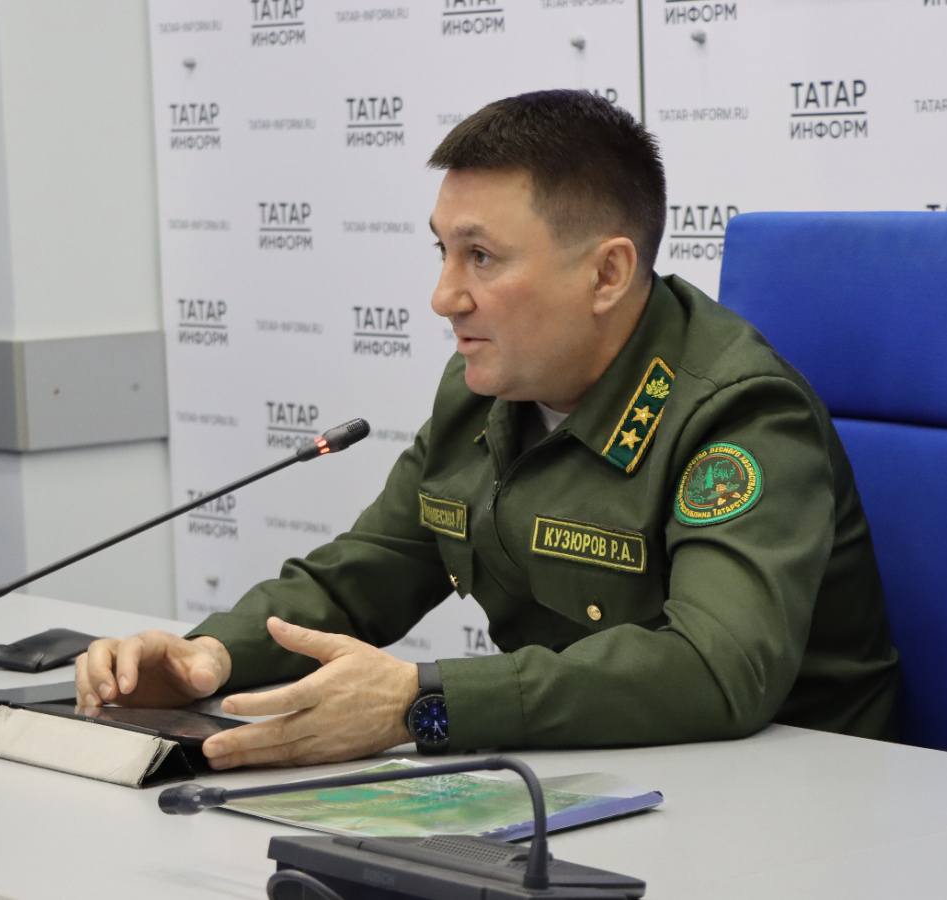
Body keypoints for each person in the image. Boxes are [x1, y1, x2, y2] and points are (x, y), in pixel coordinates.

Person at [77, 90, 898, 769]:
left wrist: (423, 704)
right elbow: (363, 577)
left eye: (481, 257)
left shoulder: (739, 414)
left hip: (797, 793)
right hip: (594, 772)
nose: (444, 296)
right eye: (441, 251)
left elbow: (717, 669)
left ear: (608, 273)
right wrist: (209, 657)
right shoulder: (485, 394)